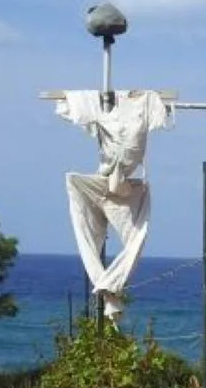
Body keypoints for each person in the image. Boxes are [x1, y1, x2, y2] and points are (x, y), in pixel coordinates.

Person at [54, 88, 173, 321]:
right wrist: (71, 99)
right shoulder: (93, 101)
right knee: (86, 235)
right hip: (96, 184)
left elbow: (161, 116)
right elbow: (69, 106)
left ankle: (107, 286)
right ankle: (107, 288)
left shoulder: (148, 101)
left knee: (137, 236)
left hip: (129, 188)